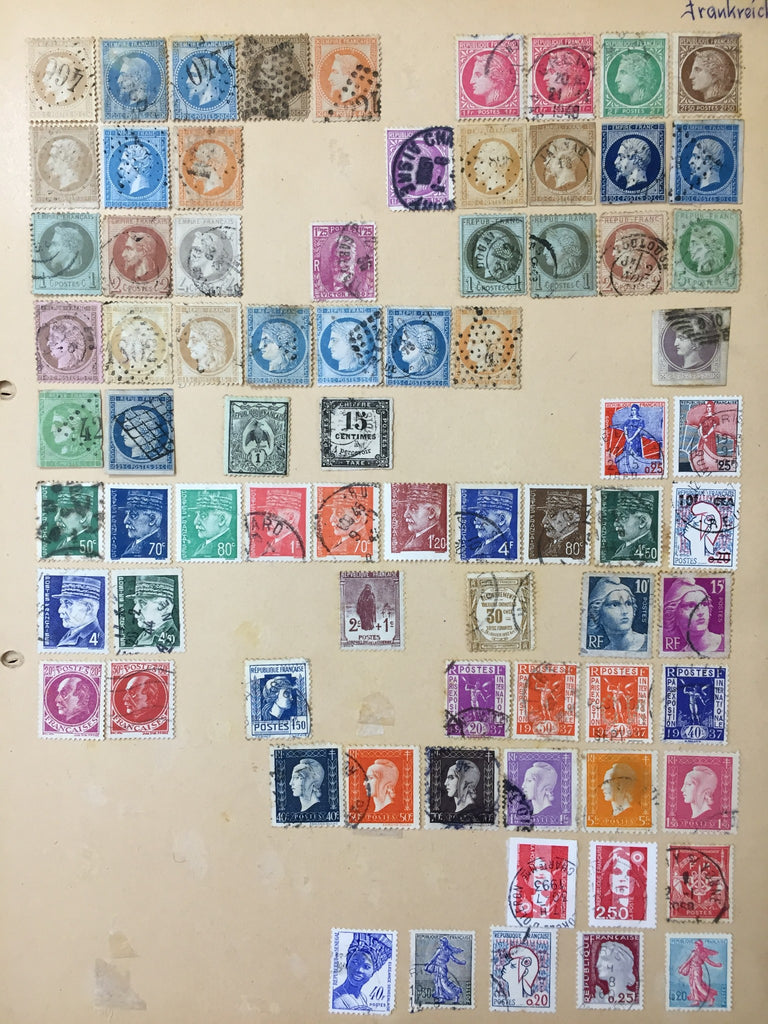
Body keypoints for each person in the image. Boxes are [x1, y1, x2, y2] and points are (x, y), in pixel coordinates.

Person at [332, 933, 392, 1011]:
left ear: (373, 972)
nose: (359, 970)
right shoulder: (336, 1000)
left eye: (366, 967)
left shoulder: (363, 997)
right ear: (347, 962)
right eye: (355, 962)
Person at [663, 577, 724, 654]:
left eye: (704, 604)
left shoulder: (729, 643)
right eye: (691, 605)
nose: (700, 612)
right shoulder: (680, 656)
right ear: (673, 615)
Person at [587, 576, 646, 652]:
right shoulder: (603, 652)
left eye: (628, 603)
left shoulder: (650, 642)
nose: (625, 611)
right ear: (596, 613)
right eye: (614, 605)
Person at [53, 575, 104, 648]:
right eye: (62, 603)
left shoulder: (99, 643)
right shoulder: (72, 633)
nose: (60, 610)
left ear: (88, 609)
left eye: (68, 603)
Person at [598, 846, 647, 921]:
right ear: (608, 877)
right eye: (617, 872)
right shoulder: (602, 904)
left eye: (629, 873)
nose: (623, 879)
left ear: (636, 880)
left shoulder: (643, 908)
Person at [130, 575, 179, 649]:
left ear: (166, 607)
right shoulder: (145, 634)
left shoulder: (170, 639)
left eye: (143, 603)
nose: (135, 609)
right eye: (135, 603)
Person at [48, 486, 94, 556]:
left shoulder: (83, 545)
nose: (56, 518)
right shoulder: (64, 542)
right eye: (57, 512)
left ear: (84, 516)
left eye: (64, 512)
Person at [469, 490, 516, 559]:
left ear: (501, 520)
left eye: (483, 515)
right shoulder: (484, 545)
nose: (475, 522)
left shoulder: (499, 551)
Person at [609, 492, 656, 560]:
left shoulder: (646, 550)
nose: (615, 524)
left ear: (642, 522)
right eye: (617, 517)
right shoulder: (623, 548)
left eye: (623, 518)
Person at [536, 491, 583, 558]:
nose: (543, 521)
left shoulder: (574, 547)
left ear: (570, 517)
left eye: (552, 515)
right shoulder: (552, 546)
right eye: (545, 514)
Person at [398, 485, 445, 552]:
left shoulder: (437, 538)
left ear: (431, 513)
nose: (405, 515)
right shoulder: (414, 538)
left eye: (413, 508)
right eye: (406, 508)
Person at [119, 491, 165, 558]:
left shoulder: (157, 547)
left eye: (133, 515)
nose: (125, 521)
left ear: (152, 519)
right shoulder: (134, 545)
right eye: (126, 514)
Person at [678, 939, 722, 1006]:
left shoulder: (702, 954)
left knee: (698, 986)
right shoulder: (694, 953)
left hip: (697, 970)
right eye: (695, 945)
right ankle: (696, 1000)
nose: (696, 946)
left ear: (700, 946)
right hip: (692, 970)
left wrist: (717, 965)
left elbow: (709, 962)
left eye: (697, 945)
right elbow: (688, 961)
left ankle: (711, 998)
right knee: (693, 986)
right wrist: (681, 968)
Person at [189, 492, 233, 557]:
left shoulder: (221, 550)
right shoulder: (204, 545)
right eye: (196, 515)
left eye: (203, 516)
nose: (195, 521)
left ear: (221, 520)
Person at [424, 936, 466, 1004]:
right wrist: (461, 962)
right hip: (439, 968)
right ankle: (441, 999)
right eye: (441, 943)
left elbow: (433, 959)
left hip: (441, 968)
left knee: (443, 983)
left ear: (444, 944)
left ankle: (455, 995)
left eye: (442, 943)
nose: (441, 944)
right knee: (439, 983)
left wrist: (461, 962)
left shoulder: (442, 951)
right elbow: (454, 960)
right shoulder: (445, 951)